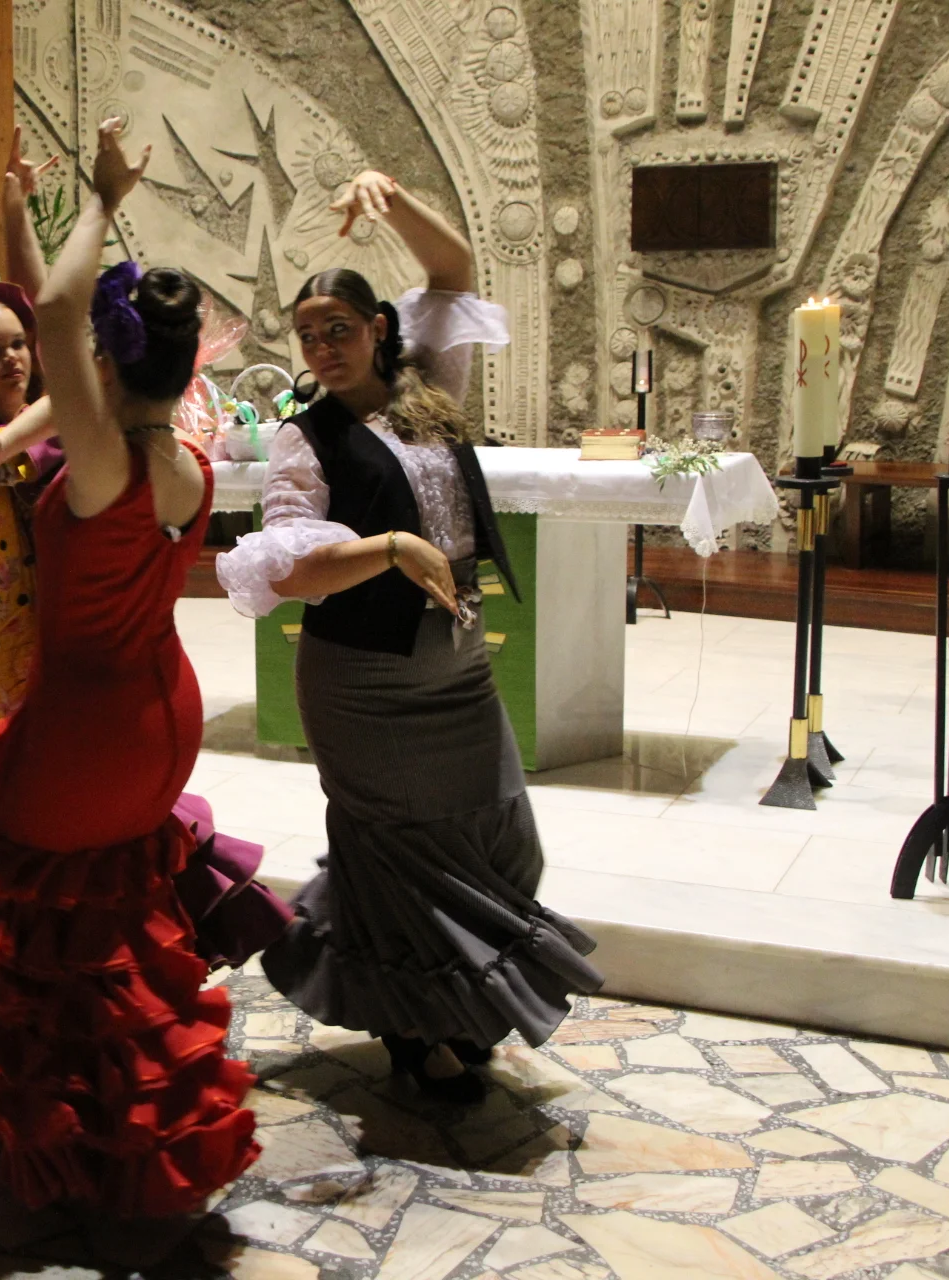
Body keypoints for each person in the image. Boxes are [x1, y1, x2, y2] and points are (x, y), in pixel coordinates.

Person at [0, 120, 259, 1217]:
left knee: (45, 922)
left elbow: (49, 311)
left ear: (103, 363)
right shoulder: (186, 456)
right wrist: (33, 223)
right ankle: (137, 1099)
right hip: (160, 710)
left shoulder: (100, 462)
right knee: (119, 909)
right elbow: (56, 325)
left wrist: (101, 196)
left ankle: (75, 1135)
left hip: (84, 721)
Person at [216, 170, 603, 1102]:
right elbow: (290, 573)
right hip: (363, 681)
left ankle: (451, 1008)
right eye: (309, 336)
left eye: (339, 330)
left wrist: (388, 201)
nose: (323, 348)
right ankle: (417, 1029)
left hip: (456, 667)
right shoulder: (305, 439)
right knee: (399, 858)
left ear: (380, 328)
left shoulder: (427, 388)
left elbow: (453, 266)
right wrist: (388, 546)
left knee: (503, 837)